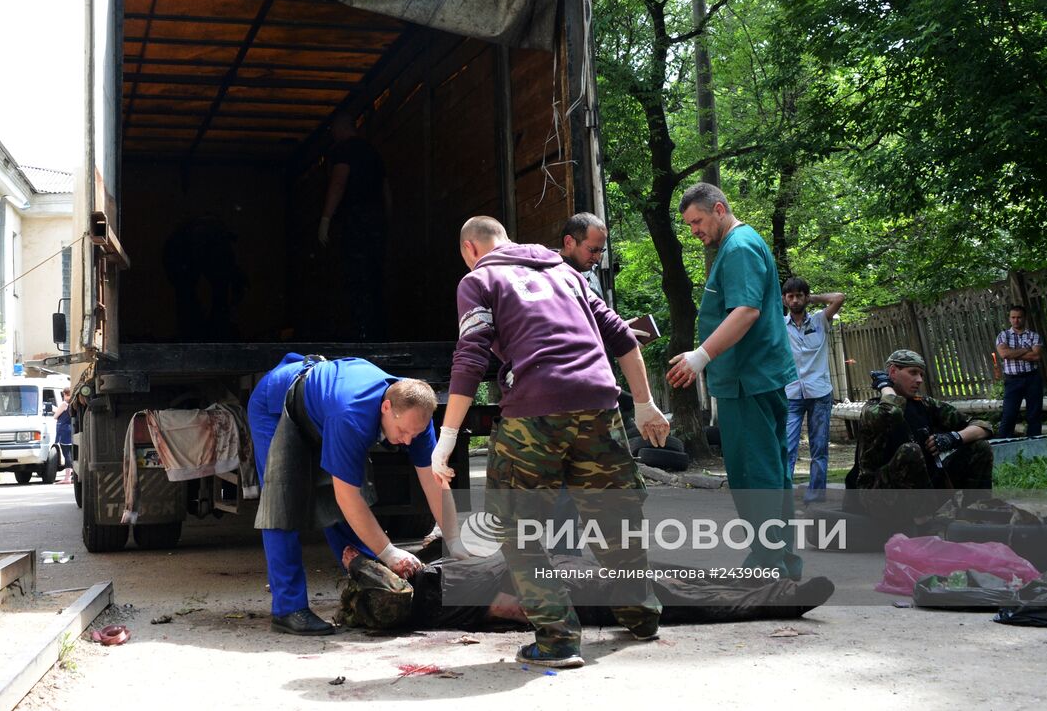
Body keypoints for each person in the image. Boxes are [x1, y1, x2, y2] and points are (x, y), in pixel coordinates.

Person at [430, 216, 670, 670]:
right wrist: (644, 404)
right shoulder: (566, 272)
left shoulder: (479, 279)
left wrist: (446, 439)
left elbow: (471, 354)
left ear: (469, 248)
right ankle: (641, 617)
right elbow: (622, 337)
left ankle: (558, 640)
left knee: (516, 526)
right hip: (599, 402)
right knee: (615, 516)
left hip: (534, 411)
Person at [248, 353, 452, 636]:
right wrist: (390, 551)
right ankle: (288, 608)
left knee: (339, 495)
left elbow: (433, 482)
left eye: (414, 435)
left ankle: (371, 585)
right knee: (282, 503)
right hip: (277, 404)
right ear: (386, 406)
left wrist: (458, 542)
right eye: (403, 432)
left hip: (322, 410)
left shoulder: (416, 416)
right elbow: (347, 498)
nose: (408, 441)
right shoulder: (351, 415)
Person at [665, 183, 801, 581]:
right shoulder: (742, 243)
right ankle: (782, 563)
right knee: (773, 475)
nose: (693, 231)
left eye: (698, 221)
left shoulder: (739, 247)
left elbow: (745, 311)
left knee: (754, 475)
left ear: (719, 209)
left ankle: (766, 565)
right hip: (758, 378)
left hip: (749, 381)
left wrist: (701, 355)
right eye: (689, 224)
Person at [335, 544, 835, 632]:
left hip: (553, 568)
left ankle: (774, 583)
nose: (394, 569)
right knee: (676, 594)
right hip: (555, 586)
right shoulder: (427, 601)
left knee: (670, 573)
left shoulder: (433, 579)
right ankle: (785, 600)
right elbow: (509, 608)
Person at [851, 349, 994, 521]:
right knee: (911, 451)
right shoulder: (873, 409)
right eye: (912, 373)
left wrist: (952, 438)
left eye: (921, 374)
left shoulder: (925, 405)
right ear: (893, 372)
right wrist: (885, 386)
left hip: (925, 490)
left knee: (980, 448)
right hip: (879, 495)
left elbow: (983, 426)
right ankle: (922, 522)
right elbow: (892, 412)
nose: (919, 380)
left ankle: (977, 515)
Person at [318, 113, 389, 340]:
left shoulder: (344, 150)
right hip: (375, 220)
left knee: (357, 277)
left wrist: (326, 218)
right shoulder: (373, 153)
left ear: (340, 128)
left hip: (356, 220)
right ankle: (378, 332)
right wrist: (387, 221)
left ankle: (363, 335)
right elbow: (386, 190)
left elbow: (339, 181)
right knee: (375, 275)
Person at [781, 277, 845, 505]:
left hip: (819, 394)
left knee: (819, 447)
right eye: (791, 296)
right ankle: (784, 494)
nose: (795, 300)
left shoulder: (820, 320)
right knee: (787, 446)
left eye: (800, 295)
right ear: (784, 300)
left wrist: (813, 298)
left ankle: (816, 496)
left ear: (805, 297)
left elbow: (839, 298)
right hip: (792, 395)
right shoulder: (779, 325)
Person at [996, 305, 1045, 438]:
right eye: (1013, 317)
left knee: (1034, 415)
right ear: (1009, 319)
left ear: (1024, 318)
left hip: (1032, 379)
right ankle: (1003, 445)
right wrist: (1025, 349)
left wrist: (1013, 353)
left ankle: (1035, 444)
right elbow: (1004, 354)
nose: (1016, 320)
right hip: (1012, 380)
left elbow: (1036, 356)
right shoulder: (1003, 335)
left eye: (1019, 317)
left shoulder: (1034, 336)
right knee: (1009, 414)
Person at [558, 211, 608, 301]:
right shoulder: (548, 276)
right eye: (593, 250)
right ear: (569, 242)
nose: (597, 257)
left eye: (601, 250)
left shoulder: (589, 272)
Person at [53, 387, 74, 484]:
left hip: (64, 430)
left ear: (65, 394)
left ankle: (67, 478)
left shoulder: (64, 404)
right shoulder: (72, 404)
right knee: (72, 453)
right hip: (71, 429)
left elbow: (55, 416)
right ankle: (71, 476)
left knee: (67, 455)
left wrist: (56, 410)